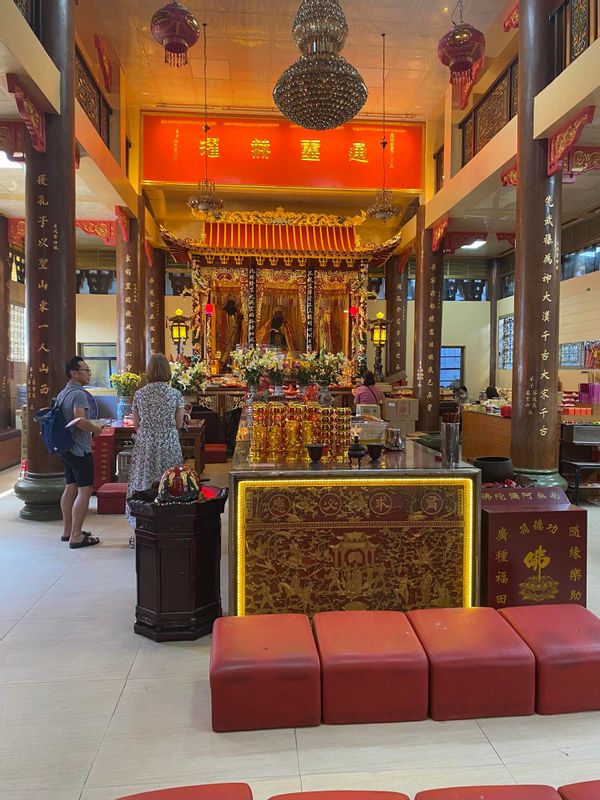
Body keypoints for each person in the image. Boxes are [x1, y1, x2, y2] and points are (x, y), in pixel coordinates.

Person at [126, 353, 185, 545]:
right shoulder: (175, 394)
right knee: (170, 483)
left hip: (145, 443)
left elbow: (136, 424)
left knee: (143, 482)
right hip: (168, 442)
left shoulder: (139, 394)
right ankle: (170, 529)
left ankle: (141, 533)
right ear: (167, 371)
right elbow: (178, 423)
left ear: (149, 371)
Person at [57, 356, 104, 548]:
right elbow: (80, 420)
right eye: (85, 370)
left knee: (70, 487)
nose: (89, 373)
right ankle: (77, 535)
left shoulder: (63, 393)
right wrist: (96, 429)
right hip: (79, 448)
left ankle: (68, 530)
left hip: (66, 448)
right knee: (85, 490)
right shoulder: (79, 394)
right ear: (73, 373)